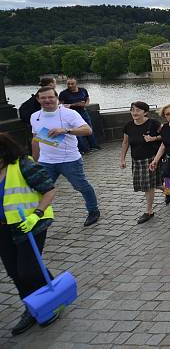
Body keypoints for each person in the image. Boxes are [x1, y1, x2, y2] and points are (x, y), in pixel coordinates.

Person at [0, 133, 59, 336]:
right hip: (4, 228)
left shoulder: (23, 165)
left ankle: (49, 303)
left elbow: (49, 190)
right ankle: (31, 307)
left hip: (30, 225)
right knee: (15, 272)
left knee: (27, 270)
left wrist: (37, 214)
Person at [31, 86, 100, 227]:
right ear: (38, 100)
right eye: (43, 98)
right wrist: (35, 160)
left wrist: (66, 130)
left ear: (56, 98)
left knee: (81, 186)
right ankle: (37, 216)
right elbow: (35, 139)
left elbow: (88, 130)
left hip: (69, 160)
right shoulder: (35, 116)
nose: (47, 100)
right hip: (46, 161)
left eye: (50, 97)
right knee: (40, 189)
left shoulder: (69, 114)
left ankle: (93, 211)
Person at [120, 101, 163, 224]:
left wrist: (154, 138)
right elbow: (125, 142)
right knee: (151, 183)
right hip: (136, 159)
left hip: (151, 158)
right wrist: (122, 159)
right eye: (132, 110)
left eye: (138, 110)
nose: (134, 112)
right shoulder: (128, 126)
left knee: (148, 185)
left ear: (145, 112)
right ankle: (168, 191)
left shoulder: (153, 123)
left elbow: (166, 135)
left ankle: (149, 212)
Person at [58, 78, 102, 153]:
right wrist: (75, 104)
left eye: (72, 84)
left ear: (76, 84)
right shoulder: (63, 93)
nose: (70, 85)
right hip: (71, 114)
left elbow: (87, 98)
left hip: (83, 112)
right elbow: (60, 105)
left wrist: (86, 104)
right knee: (77, 132)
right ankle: (83, 150)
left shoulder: (83, 90)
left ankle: (94, 146)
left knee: (89, 129)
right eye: (68, 84)